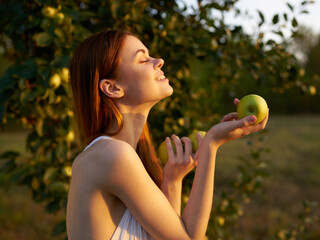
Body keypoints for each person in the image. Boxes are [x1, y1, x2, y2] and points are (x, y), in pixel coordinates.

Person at [66, 28, 269, 240]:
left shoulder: (121, 155)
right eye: (143, 60)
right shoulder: (112, 155)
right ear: (113, 88)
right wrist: (211, 144)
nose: (159, 60)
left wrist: (172, 181)